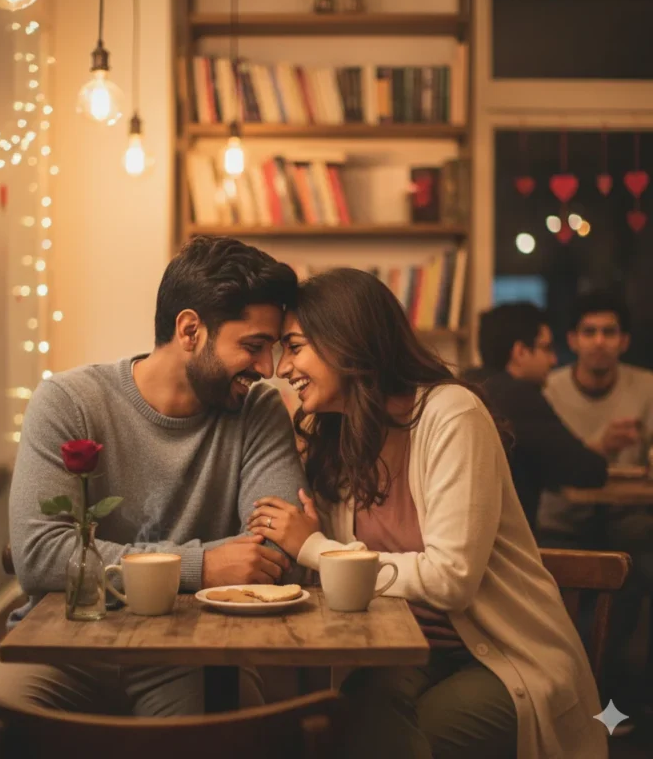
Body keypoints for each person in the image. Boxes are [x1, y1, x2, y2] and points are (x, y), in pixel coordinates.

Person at [0, 237, 308, 757]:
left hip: (195, 647)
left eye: (275, 348)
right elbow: (40, 557)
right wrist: (203, 565)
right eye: (254, 346)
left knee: (221, 741)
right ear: (190, 330)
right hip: (66, 646)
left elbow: (271, 553)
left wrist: (145, 565)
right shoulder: (69, 401)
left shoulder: (259, 411)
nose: (270, 367)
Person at [247, 269, 606, 759]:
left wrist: (314, 547)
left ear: (347, 339)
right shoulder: (340, 436)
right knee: (348, 722)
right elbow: (334, 574)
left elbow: (451, 578)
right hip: (402, 651)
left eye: (294, 346)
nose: (280, 367)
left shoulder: (451, 415)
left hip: (501, 657)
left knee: (396, 741)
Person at [538, 290, 653, 722]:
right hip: (561, 518)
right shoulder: (548, 388)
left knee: (633, 578)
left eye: (609, 332)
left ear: (624, 341)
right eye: (590, 332)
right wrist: (598, 448)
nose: (599, 341)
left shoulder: (646, 385)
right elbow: (543, 464)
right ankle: (575, 703)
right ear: (573, 339)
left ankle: (620, 704)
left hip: (628, 517)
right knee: (556, 591)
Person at [464, 302, 607, 529]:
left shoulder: (466, 384)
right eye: (547, 348)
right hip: (507, 548)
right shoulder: (518, 397)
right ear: (520, 351)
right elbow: (588, 470)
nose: (554, 360)